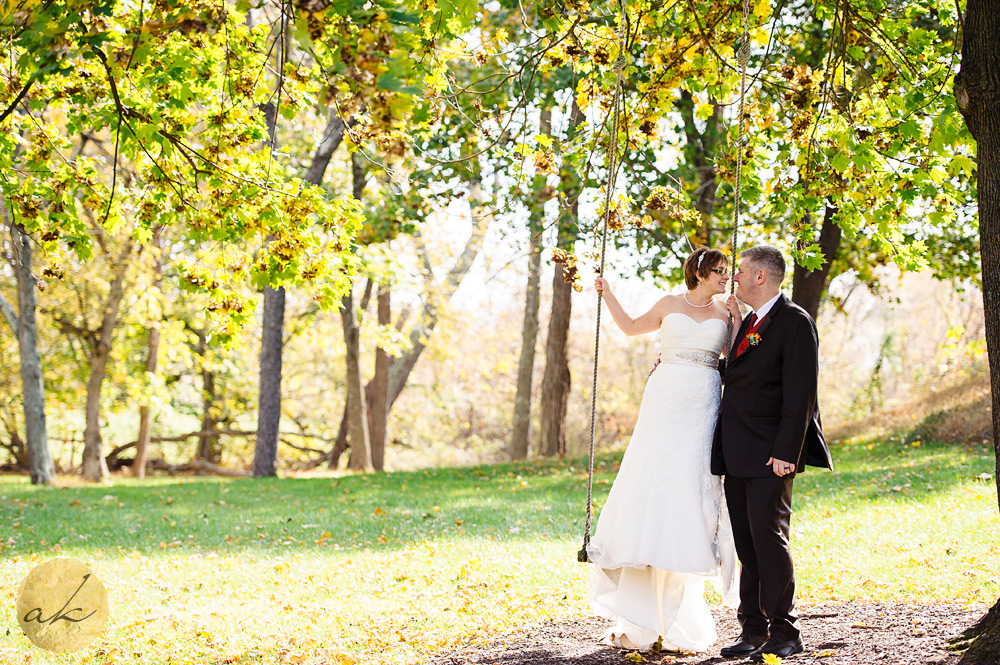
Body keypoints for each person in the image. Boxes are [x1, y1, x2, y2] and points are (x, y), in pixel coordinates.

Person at [587, 246, 742, 653]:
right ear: (699, 272)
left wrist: (738, 319)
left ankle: (679, 595)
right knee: (652, 472)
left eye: (727, 271)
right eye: (719, 271)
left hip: (703, 397)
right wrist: (607, 293)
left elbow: (738, 357)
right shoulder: (668, 303)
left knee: (688, 480)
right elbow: (630, 326)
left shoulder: (728, 313)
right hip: (665, 395)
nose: (726, 277)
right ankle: (640, 591)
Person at [711, 245, 833, 662]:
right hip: (737, 451)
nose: (735, 279)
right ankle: (752, 629)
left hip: (770, 455)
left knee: (770, 540)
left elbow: (801, 396)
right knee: (747, 543)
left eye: (741, 272)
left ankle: (785, 631)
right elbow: (738, 376)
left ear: (761, 277)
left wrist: (787, 453)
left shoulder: (794, 322)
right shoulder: (749, 323)